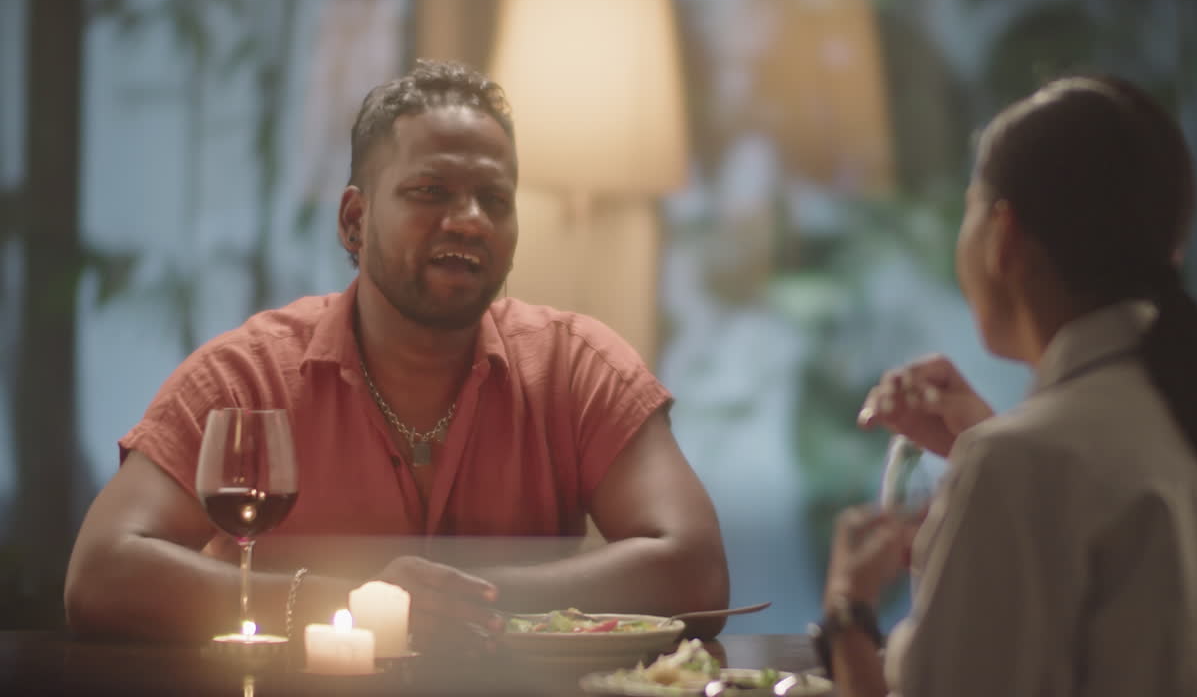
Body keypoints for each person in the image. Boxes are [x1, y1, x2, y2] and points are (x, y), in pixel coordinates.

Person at [64, 60, 730, 643]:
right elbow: (100, 574)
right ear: (354, 221)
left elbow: (696, 569)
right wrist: (355, 605)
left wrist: (464, 602)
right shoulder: (247, 378)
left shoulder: (574, 366)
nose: (469, 220)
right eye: (430, 192)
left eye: (494, 199)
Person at [819, 75, 1197, 696]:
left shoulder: (1020, 466)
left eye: (970, 208)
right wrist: (986, 445)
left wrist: (848, 609)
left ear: (1003, 237)